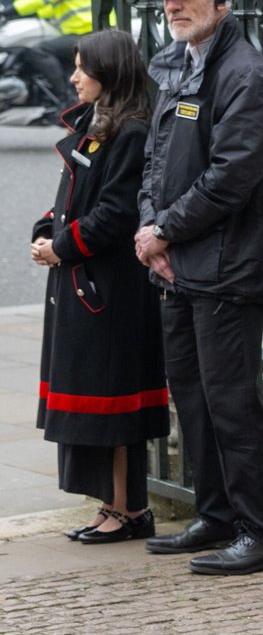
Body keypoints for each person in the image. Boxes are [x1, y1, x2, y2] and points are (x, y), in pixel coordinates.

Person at [132, 0, 263, 576]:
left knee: (231, 401)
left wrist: (164, 231)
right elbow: (156, 155)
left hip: (228, 264)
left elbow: (234, 177)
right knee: (192, 397)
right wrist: (153, 229)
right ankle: (217, 515)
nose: (173, 6)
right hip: (179, 261)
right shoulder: (179, 64)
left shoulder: (245, 73)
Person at [32, 29, 167, 544]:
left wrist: (60, 248)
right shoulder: (99, 123)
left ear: (107, 73)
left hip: (109, 288)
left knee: (115, 406)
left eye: (82, 68)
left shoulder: (130, 130)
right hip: (85, 282)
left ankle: (129, 511)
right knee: (99, 402)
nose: (73, 77)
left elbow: (114, 213)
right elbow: (73, 197)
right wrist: (47, 230)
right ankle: (111, 506)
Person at [4, 0, 92, 117]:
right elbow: (51, 4)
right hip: (86, 31)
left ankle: (65, 99)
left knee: (39, 50)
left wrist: (9, 10)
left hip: (83, 33)